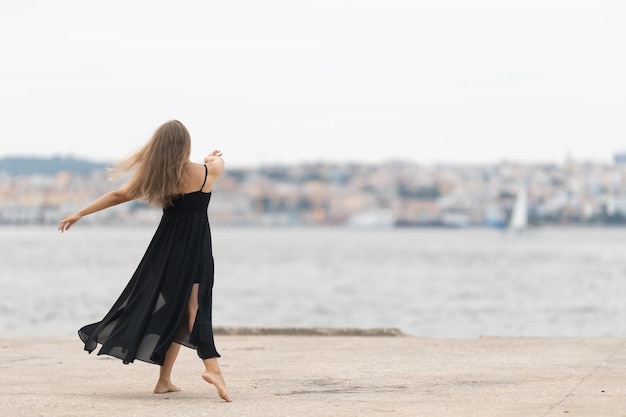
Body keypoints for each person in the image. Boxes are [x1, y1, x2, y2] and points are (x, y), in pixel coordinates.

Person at [58, 120, 232, 402]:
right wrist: (208, 157)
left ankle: (164, 381)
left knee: (175, 311)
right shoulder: (206, 172)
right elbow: (217, 161)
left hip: (165, 253)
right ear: (185, 145)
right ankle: (211, 364)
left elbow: (117, 196)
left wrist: (79, 213)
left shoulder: (158, 178)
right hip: (197, 249)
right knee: (195, 307)